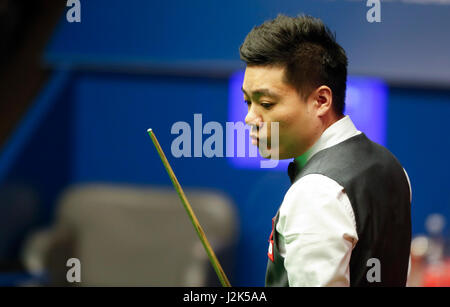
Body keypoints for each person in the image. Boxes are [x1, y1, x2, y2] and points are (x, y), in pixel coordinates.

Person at [239, 14, 412, 286]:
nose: (250, 118)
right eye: (248, 101)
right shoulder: (392, 166)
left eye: (267, 103)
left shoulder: (316, 193)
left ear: (321, 100)